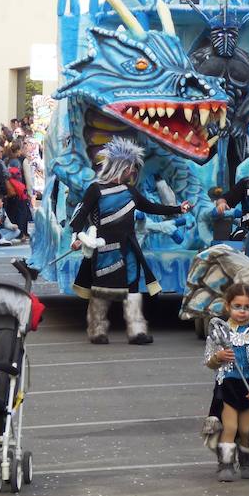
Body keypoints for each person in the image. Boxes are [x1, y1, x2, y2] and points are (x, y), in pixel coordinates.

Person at [69, 137, 192, 345]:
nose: (133, 173)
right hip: (104, 248)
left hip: (129, 247)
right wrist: (76, 238)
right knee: (101, 289)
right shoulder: (96, 190)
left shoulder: (130, 192)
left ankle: (137, 330)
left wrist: (177, 209)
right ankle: (96, 328)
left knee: (133, 287)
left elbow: (151, 207)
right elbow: (79, 217)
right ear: (121, 167)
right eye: (131, 169)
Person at [203, 282, 249, 481]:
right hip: (227, 386)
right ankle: (225, 463)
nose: (242, 312)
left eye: (247, 307)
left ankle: (247, 460)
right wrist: (219, 357)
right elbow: (209, 362)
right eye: (237, 307)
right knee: (230, 427)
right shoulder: (220, 332)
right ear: (228, 306)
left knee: (246, 429)